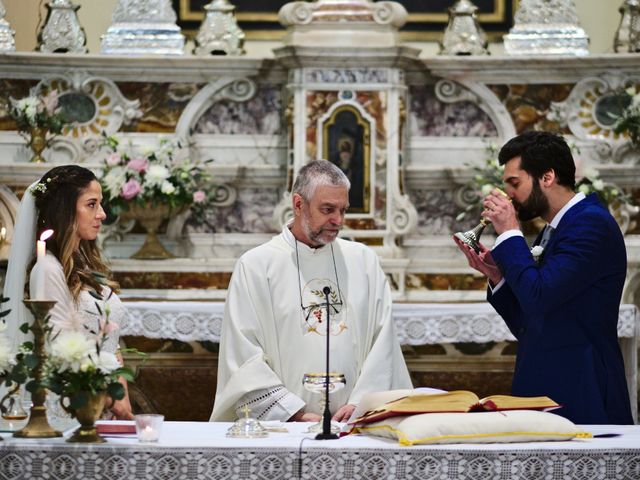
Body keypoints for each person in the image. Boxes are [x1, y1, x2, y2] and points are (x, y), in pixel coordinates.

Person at [211, 159, 412, 422]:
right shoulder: (257, 265)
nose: (337, 221)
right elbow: (243, 354)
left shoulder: (363, 262)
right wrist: (292, 413)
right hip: (283, 428)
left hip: (352, 424)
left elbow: (383, 342)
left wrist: (361, 404)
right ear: (298, 204)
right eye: (327, 209)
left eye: (343, 210)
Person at [454, 131, 633, 425]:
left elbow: (539, 297)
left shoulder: (590, 224)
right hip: (543, 383)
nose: (509, 194)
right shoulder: (552, 229)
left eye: (515, 183)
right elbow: (530, 320)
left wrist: (509, 230)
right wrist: (497, 275)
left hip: (581, 385)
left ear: (547, 177)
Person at [4, 165, 133, 420]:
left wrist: (121, 394)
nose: (102, 214)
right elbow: (60, 352)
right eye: (92, 204)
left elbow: (110, 345)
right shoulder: (47, 269)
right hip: (76, 407)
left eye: (101, 204)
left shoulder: (82, 264)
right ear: (65, 209)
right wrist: (108, 398)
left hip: (101, 402)